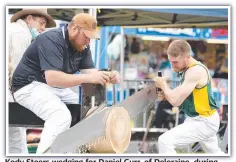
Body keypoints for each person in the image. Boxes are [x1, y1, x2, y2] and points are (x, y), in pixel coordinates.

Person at [11, 13, 120, 154]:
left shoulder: (83, 47)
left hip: (53, 88)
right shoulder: (51, 39)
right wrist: (88, 78)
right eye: (86, 36)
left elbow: (90, 74)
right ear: (74, 28)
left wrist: (108, 75)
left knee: (84, 112)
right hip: (28, 86)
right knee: (60, 116)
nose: (88, 41)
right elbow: (53, 78)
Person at [154, 39, 224, 154]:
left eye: (175, 62)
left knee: (164, 141)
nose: (172, 66)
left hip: (204, 121)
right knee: (215, 154)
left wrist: (164, 86)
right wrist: (165, 93)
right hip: (201, 119)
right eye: (170, 62)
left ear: (187, 57)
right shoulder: (188, 70)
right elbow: (175, 95)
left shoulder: (195, 71)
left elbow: (175, 101)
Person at [8, 8, 56, 154]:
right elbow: (17, 73)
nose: (42, 28)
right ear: (29, 19)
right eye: (41, 23)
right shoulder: (20, 34)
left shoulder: (13, 30)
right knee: (15, 134)